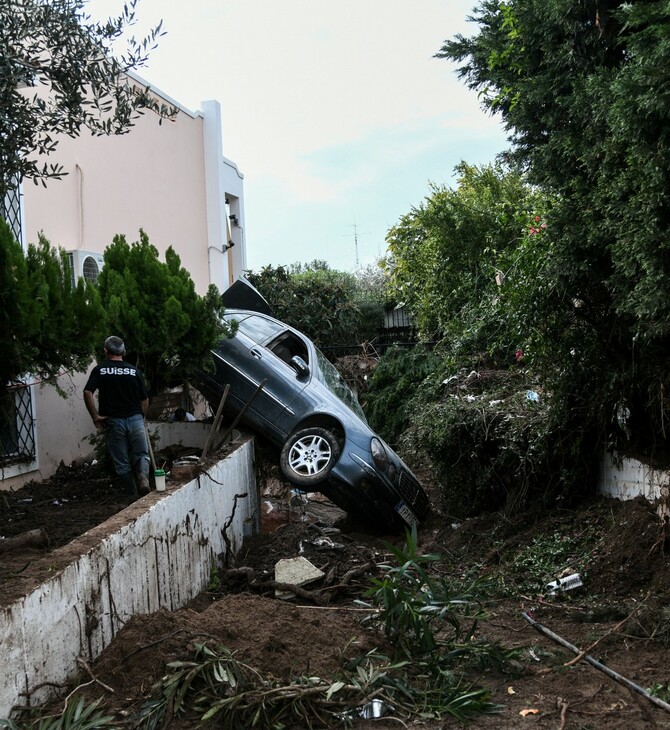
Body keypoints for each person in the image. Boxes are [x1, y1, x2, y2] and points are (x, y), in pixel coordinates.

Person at [84, 336, 151, 498]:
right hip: (135, 419)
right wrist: (140, 417)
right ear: (124, 352)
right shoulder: (134, 371)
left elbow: (87, 392)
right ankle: (143, 479)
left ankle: (132, 495)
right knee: (141, 454)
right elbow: (145, 399)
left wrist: (95, 416)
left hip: (113, 421)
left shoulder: (100, 369)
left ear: (105, 351)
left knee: (122, 463)